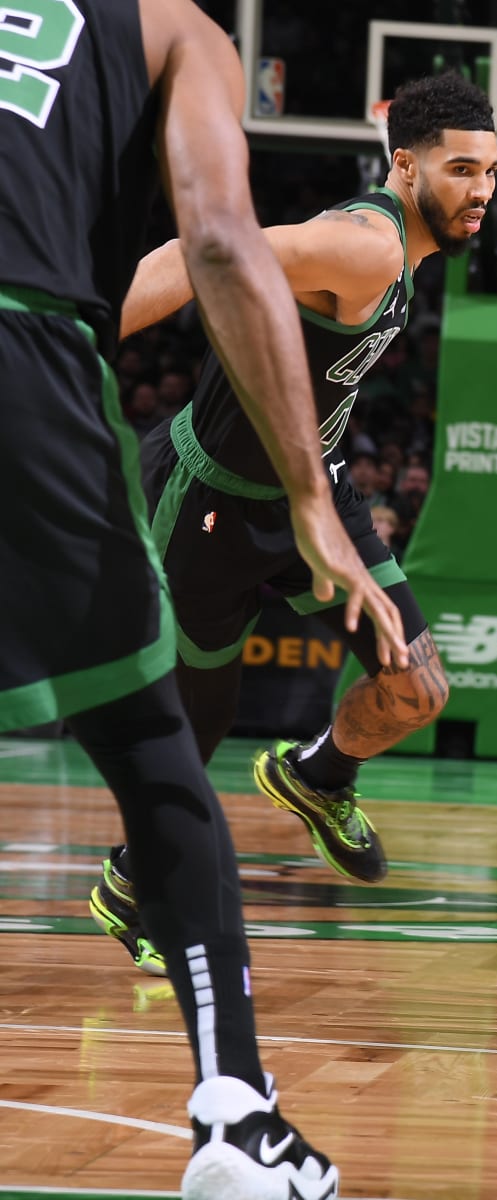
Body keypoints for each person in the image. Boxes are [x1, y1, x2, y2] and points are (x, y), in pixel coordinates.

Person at [0, 0, 411, 1192]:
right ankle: (237, 1115)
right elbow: (218, 245)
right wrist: (314, 498)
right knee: (153, 748)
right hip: (30, 349)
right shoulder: (176, 29)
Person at [86, 72, 495, 976]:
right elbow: (197, 251)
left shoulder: (407, 252)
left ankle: (317, 775)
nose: (481, 191)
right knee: (195, 729)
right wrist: (68, 348)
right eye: (461, 170)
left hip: (315, 489)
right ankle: (131, 883)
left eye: (491, 171)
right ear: (405, 166)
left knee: (418, 689)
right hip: (210, 500)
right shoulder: (366, 248)